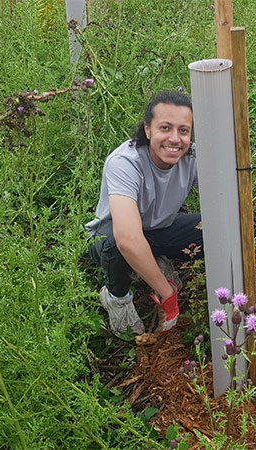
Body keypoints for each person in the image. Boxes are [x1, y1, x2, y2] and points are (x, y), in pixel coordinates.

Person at [85, 90, 203, 335]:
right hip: (111, 238)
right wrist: (168, 294)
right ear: (148, 130)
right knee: (114, 245)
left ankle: (154, 263)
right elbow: (127, 238)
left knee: (212, 229)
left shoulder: (192, 156)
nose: (175, 138)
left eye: (183, 130)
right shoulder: (125, 162)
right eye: (165, 128)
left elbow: (222, 197)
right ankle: (117, 297)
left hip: (158, 230)